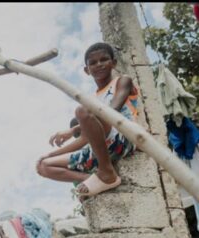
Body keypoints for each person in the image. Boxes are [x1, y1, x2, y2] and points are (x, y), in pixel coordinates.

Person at [36, 42, 139, 198]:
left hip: (122, 140)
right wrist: (50, 155)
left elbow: (111, 112)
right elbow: (85, 138)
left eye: (104, 59)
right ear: (87, 70)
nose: (99, 64)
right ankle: (92, 179)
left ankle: (106, 172)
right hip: (100, 151)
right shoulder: (93, 99)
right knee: (43, 166)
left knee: (82, 110)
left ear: (114, 63)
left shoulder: (122, 81)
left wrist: (72, 130)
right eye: (93, 62)